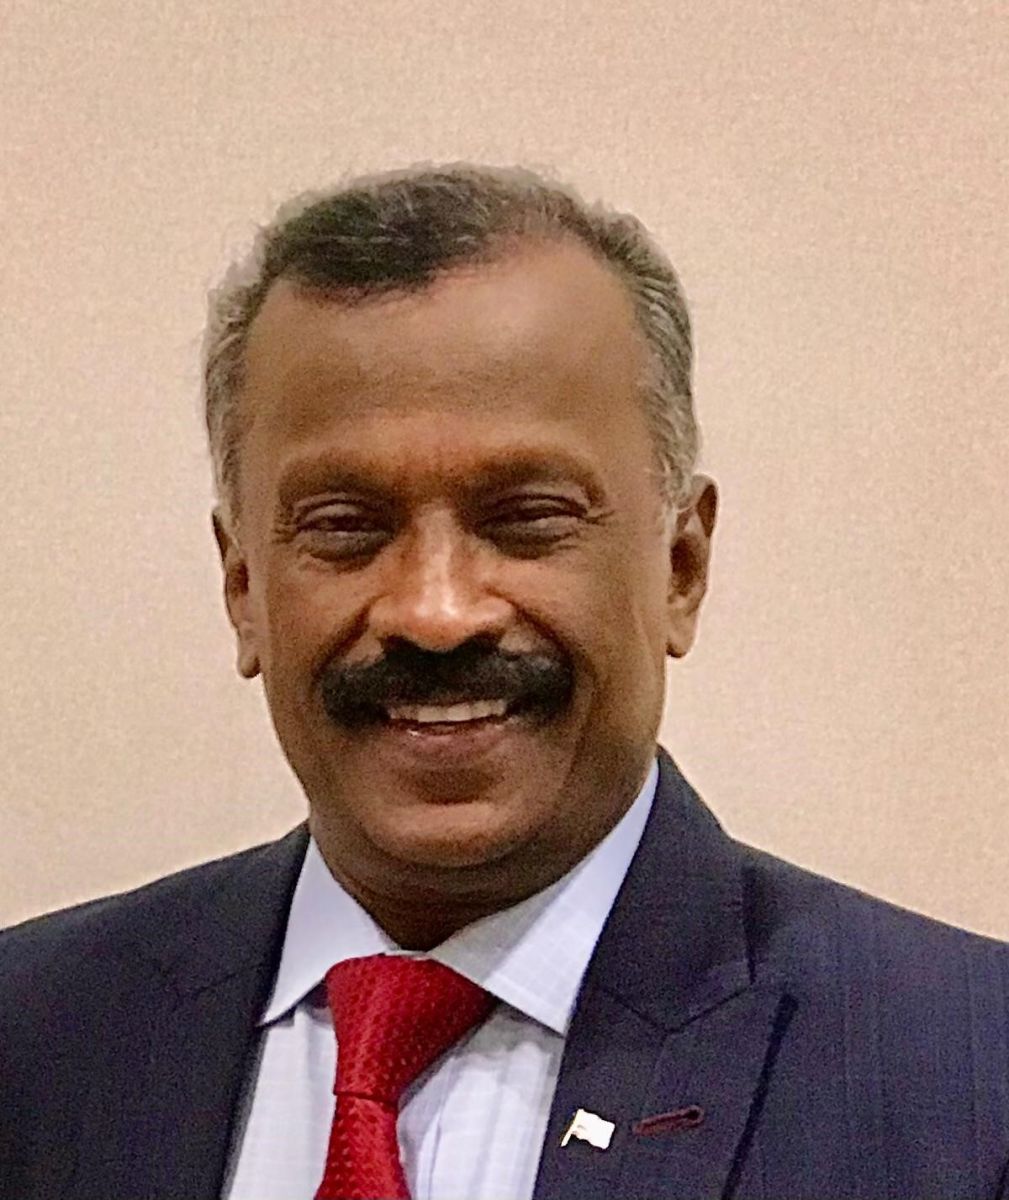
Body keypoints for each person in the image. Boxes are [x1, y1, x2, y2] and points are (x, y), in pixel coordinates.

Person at [2, 164, 1008, 1200]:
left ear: (679, 568)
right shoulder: (32, 1038)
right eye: (345, 527)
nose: (434, 612)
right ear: (244, 587)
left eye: (527, 519)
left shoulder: (969, 1083)